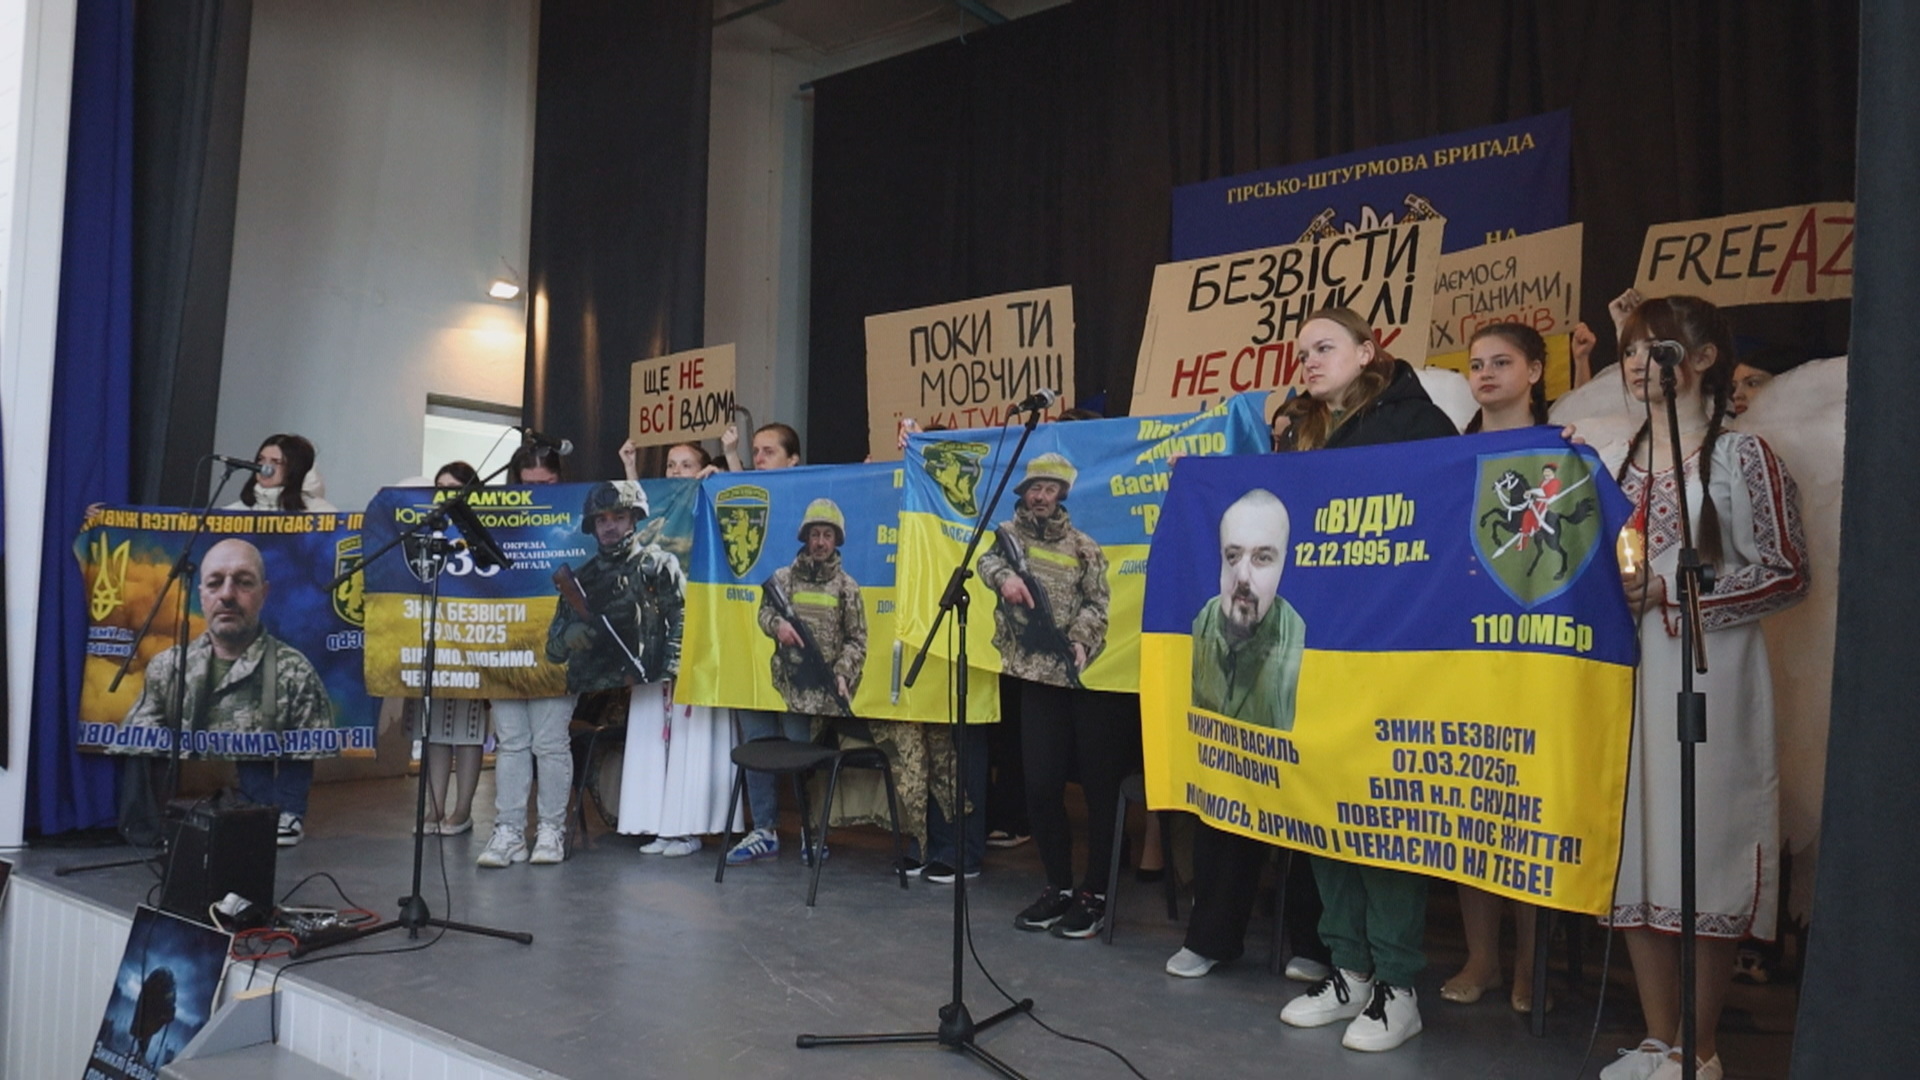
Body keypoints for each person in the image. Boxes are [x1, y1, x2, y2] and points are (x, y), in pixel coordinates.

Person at [1200, 309, 1452, 1053]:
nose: (1308, 360)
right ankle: (1349, 973)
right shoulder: (1309, 431)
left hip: (1389, 654)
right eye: (1302, 351)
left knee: (1382, 821)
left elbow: (1443, 517)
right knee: (1322, 811)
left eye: (1325, 347)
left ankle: (1398, 986)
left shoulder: (1415, 423)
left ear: (1368, 352)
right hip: (1321, 655)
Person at [1596, 296, 1808, 1080]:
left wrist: (1678, 594)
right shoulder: (1619, 463)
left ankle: (1701, 1047)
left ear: (1703, 357)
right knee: (1636, 851)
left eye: (1652, 347)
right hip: (1629, 676)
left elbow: (1788, 572)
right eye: (1627, 350)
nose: (1635, 363)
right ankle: (1659, 1040)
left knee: (1704, 847)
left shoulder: (1741, 456)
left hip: (1709, 676)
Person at [1445, 322, 1559, 1010]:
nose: (1485, 374)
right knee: (1469, 807)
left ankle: (1529, 965)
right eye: (1476, 364)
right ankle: (1482, 957)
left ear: (1535, 371)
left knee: (1525, 812)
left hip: (1534, 650)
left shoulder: (1561, 449)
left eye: (1501, 362)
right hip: (1460, 648)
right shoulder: (1448, 455)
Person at [978, 452, 1127, 939]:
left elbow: (1098, 605)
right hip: (1036, 677)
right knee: (1040, 786)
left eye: (1049, 488)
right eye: (1034, 488)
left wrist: (1081, 641)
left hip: (1087, 681)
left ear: (1062, 494)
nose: (1040, 496)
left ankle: (1095, 893)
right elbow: (986, 560)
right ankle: (1058, 885)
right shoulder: (1008, 535)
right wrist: (1005, 579)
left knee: (1100, 790)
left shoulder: (1085, 547)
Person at [121, 539, 334, 846]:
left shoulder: (295, 670)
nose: (227, 595)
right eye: (215, 583)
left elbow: (308, 743)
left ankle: (278, 813)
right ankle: (160, 822)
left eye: (244, 582)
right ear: (200, 595)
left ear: (264, 593)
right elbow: (137, 738)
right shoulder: (168, 668)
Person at [479, 443, 575, 868]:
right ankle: (509, 831)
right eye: (529, 484)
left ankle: (552, 829)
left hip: (557, 645)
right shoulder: (496, 522)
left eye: (548, 484)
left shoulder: (574, 519)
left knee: (550, 742)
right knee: (512, 742)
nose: (539, 491)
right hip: (507, 642)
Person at [725, 423, 816, 865]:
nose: (759, 459)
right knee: (758, 743)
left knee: (800, 745)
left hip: (801, 654)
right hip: (751, 643)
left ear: (793, 460)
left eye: (768, 452)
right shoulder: (745, 501)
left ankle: (813, 831)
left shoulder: (809, 503)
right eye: (755, 452)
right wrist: (725, 464)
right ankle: (764, 828)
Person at [406, 461, 489, 836]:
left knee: (467, 730)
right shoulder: (426, 526)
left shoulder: (483, 528)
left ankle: (462, 810)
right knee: (435, 729)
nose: (444, 495)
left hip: (473, 639)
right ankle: (435, 807)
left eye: (453, 488)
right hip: (433, 636)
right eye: (439, 488)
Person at [548, 481, 684, 692]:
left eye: (619, 517)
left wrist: (668, 675)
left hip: (645, 692)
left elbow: (683, 623)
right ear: (593, 527)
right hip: (587, 698)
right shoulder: (580, 580)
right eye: (601, 520)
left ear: (634, 519)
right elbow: (552, 653)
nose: (610, 526)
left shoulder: (656, 567)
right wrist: (566, 637)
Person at [1190, 489, 1305, 731]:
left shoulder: (1300, 638)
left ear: (1283, 564)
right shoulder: (1200, 623)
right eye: (1233, 556)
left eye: (1262, 558)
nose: (1242, 576)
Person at [759, 499, 865, 717]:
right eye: (815, 535)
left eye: (827, 535)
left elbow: (857, 641)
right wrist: (778, 626)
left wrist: (843, 674)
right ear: (806, 537)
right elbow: (764, 613)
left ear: (836, 540)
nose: (820, 542)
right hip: (789, 691)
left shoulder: (848, 587)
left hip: (829, 696)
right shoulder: (784, 579)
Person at [233, 434, 337, 513]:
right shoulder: (235, 512)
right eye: (261, 459)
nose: (265, 467)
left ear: (295, 468)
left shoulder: (321, 513)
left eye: (276, 462)